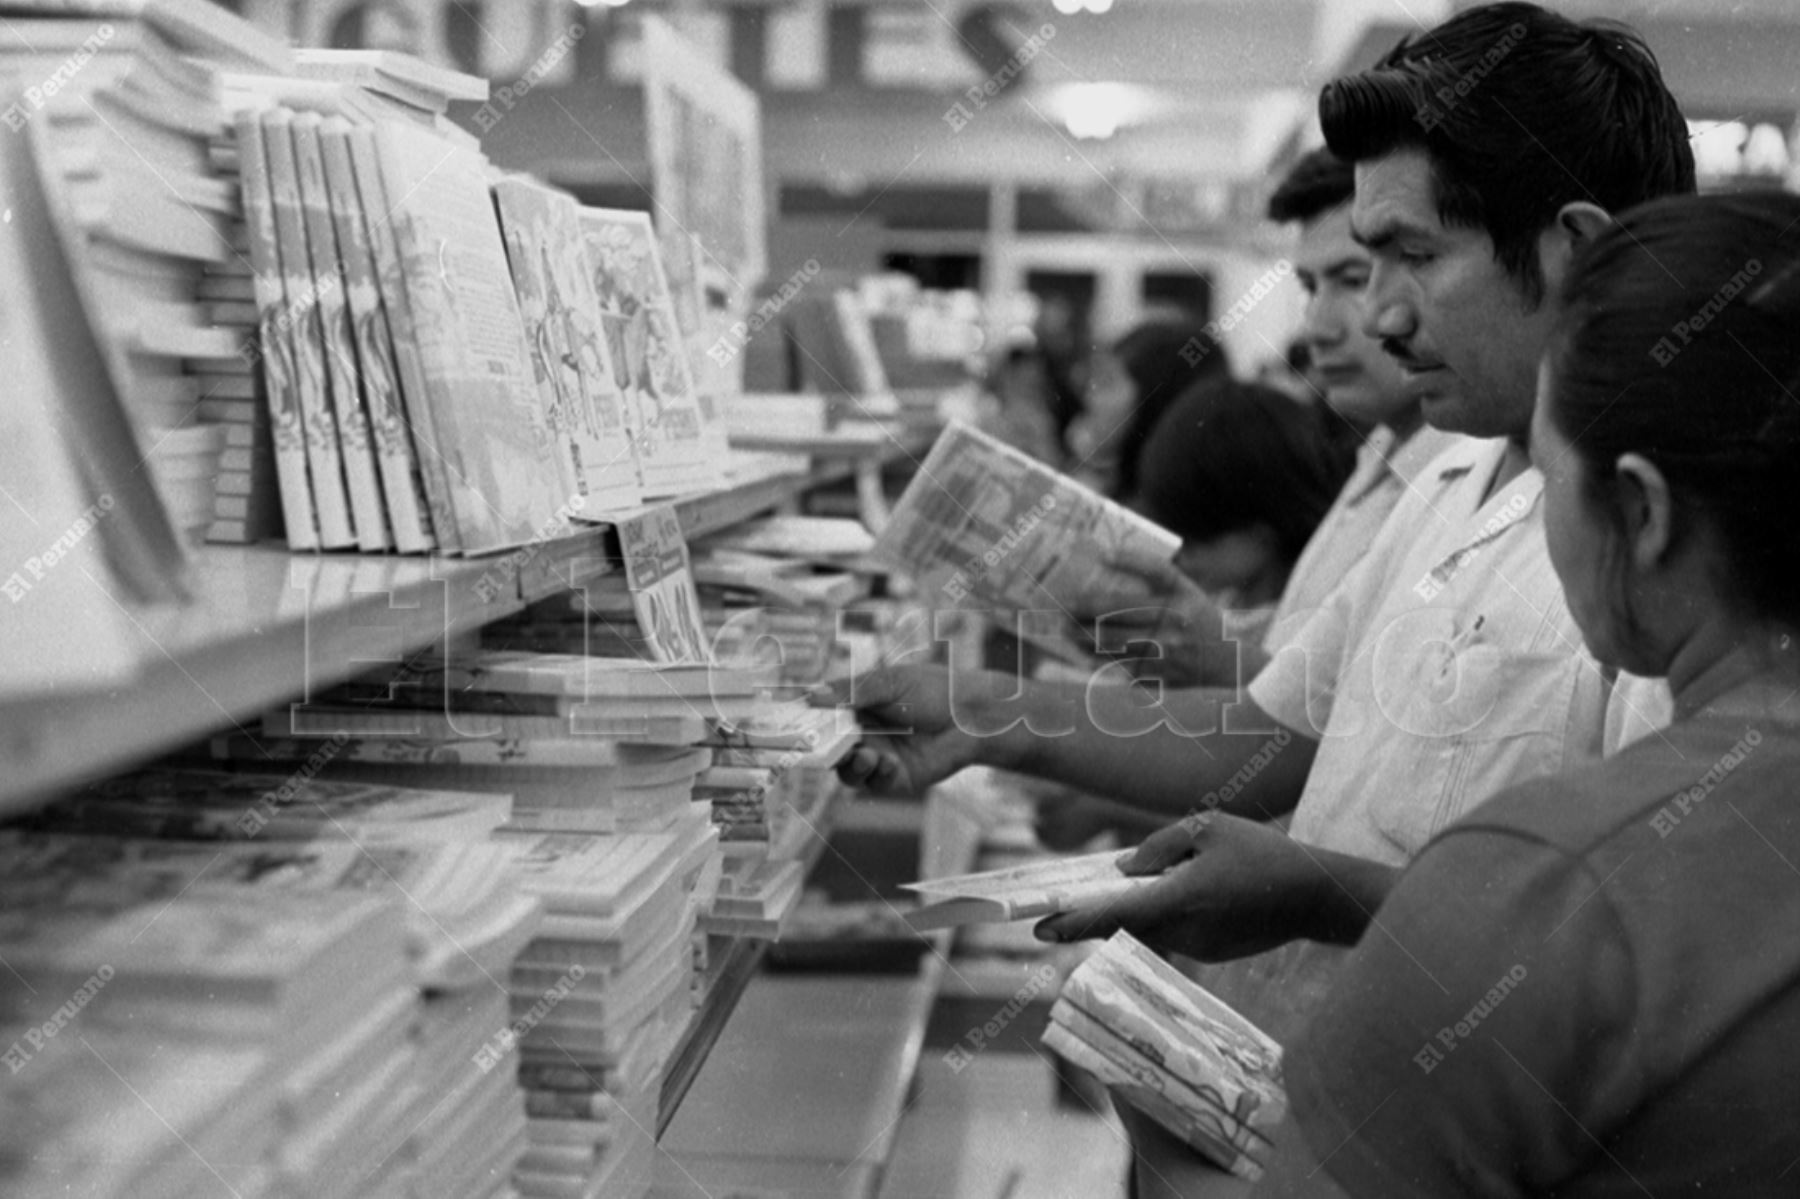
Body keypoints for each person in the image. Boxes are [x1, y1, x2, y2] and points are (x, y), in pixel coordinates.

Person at [827, 0, 1694, 1042]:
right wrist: (986, 711)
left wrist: (1320, 890)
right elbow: (1263, 732)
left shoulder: (1661, 551)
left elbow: (1633, 944)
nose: (1377, 316)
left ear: (1574, 253)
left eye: (1411, 255)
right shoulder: (1449, 480)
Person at [1249, 189, 1800, 1198]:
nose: (1373, 314)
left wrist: (1158, 1128)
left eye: (1545, 476)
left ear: (1638, 509)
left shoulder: (1541, 887)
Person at [1070, 148, 1461, 687]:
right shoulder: (1376, 460)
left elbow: (1369, 736)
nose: (1319, 326)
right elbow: (1314, 677)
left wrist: (1222, 659)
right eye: (1309, 287)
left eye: (1352, 278)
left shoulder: (1468, 490)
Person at [1067, 318, 1229, 505]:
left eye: (1107, 383)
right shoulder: (1108, 487)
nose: (1090, 397)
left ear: (1156, 399)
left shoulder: (1153, 515)